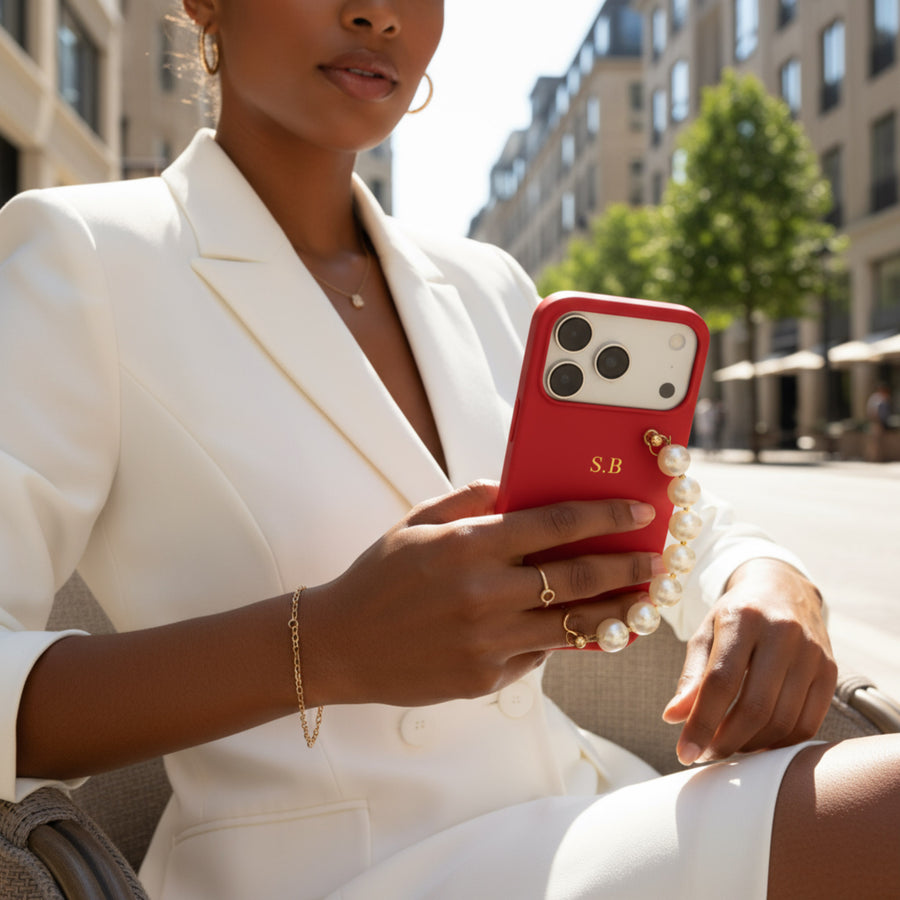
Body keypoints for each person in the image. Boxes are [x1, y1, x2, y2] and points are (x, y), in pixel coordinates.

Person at [1, 2, 898, 897]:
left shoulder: (487, 283)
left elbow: (672, 512)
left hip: (586, 810)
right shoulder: (83, 255)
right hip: (331, 871)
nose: (378, 14)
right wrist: (325, 644)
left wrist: (765, 576)